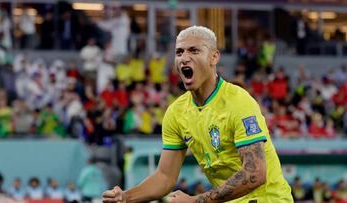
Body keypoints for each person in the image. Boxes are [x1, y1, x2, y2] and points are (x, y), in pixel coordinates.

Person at [102, 26, 293, 203]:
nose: (184, 57)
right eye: (179, 52)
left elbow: (255, 173)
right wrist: (126, 197)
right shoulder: (176, 112)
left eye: (194, 51)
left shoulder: (238, 102)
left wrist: (195, 201)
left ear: (214, 57)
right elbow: (164, 177)